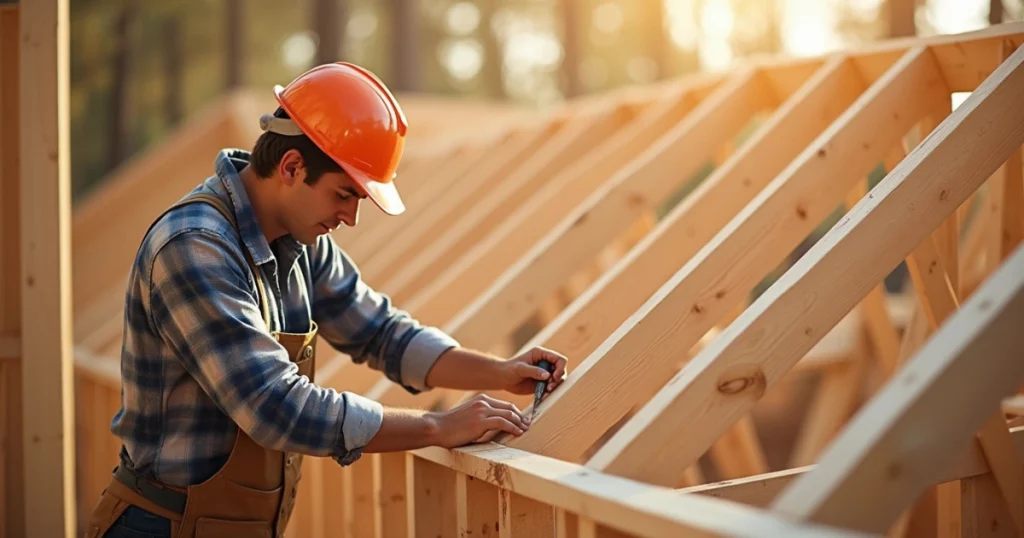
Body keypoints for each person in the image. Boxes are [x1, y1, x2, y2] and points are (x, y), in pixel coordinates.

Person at [85, 62, 568, 538]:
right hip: (162, 526)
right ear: (292, 167)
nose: (351, 217)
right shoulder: (194, 246)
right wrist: (437, 427)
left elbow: (381, 332)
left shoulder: (302, 245)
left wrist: (501, 372)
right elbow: (274, 406)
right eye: (344, 194)